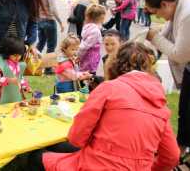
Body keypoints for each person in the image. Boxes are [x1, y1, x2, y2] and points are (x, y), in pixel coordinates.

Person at [30, 42, 180, 171]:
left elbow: (76, 139)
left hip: (95, 165)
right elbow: (172, 156)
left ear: (115, 64)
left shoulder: (109, 88)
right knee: (60, 148)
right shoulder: (160, 106)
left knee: (36, 157)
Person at [145, 0, 190, 160]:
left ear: (164, 4)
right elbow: (165, 34)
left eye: (156, 13)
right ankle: (181, 148)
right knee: (184, 112)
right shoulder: (176, 9)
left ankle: (181, 151)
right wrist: (149, 48)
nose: (159, 17)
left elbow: (180, 54)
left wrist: (154, 38)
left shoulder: (186, 14)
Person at [37, 0, 64, 75]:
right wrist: (60, 22)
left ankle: (33, 64)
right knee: (51, 45)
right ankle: (48, 69)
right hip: (49, 20)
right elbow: (53, 8)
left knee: (40, 43)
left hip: (40, 19)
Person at [0, 37, 31, 104]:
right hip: (0, 95)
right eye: (15, 55)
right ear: (8, 52)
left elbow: (20, 78)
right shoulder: (1, 64)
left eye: (20, 55)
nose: (17, 58)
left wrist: (25, 86)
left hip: (12, 94)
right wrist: (9, 80)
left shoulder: (18, 64)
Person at [78, 4, 106, 74]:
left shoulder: (88, 27)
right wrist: (78, 56)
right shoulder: (95, 31)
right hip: (90, 59)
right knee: (88, 77)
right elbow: (84, 46)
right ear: (101, 18)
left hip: (87, 58)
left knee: (83, 74)